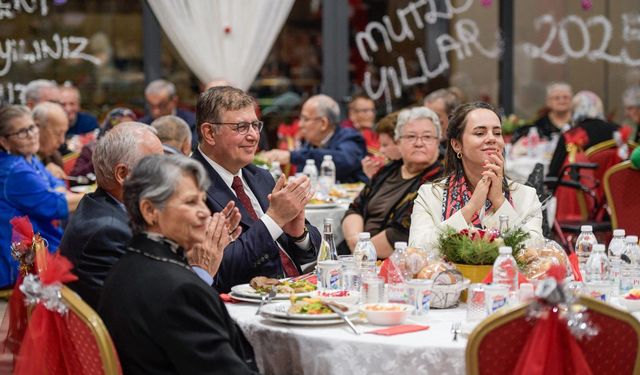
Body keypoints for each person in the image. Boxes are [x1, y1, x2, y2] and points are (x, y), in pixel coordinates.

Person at [99, 154, 258, 374]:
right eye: (191, 202)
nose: (204, 212)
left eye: (202, 200)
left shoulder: (128, 263)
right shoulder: (180, 291)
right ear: (150, 211)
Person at [192, 86, 320, 292]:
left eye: (255, 125)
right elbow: (219, 272)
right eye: (241, 127)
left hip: (298, 294)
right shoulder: (190, 187)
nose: (253, 136)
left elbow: (313, 254)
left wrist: (299, 235)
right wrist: (274, 220)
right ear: (209, 133)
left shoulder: (260, 176)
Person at [409, 102, 543, 248]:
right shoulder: (431, 195)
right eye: (480, 133)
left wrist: (499, 201)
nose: (492, 138)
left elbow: (534, 251)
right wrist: (471, 208)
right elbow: (417, 249)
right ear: (456, 145)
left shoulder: (526, 196)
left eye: (497, 133)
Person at [341, 107, 445, 258]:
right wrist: (354, 240)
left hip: (392, 263)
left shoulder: (440, 178)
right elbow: (355, 208)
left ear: (437, 141)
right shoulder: (389, 170)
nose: (419, 143)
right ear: (398, 141)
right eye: (411, 136)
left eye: (427, 137)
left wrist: (362, 251)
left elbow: (401, 234)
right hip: (356, 254)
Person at [0, 105, 79, 288]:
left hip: (40, 249)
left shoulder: (29, 158)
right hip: (21, 266)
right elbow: (54, 206)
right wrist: (94, 193)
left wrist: (57, 193)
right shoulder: (14, 170)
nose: (31, 134)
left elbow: (57, 184)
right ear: (4, 141)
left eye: (32, 127)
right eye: (21, 132)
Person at [263, 94, 368, 183]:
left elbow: (344, 160)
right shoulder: (310, 144)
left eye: (305, 119)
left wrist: (292, 156)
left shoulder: (349, 137)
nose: (300, 124)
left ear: (323, 123)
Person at [547, 91, 619, 178]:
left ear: (575, 110)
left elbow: (553, 172)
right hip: (613, 185)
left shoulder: (570, 135)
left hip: (582, 187)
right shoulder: (618, 131)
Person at [69, 107, 137, 177]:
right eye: (119, 127)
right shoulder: (92, 149)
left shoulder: (138, 149)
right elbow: (75, 176)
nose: (125, 132)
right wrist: (100, 160)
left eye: (129, 127)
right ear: (109, 128)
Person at [139, 79, 198, 149]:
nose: (156, 111)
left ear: (174, 101)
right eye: (151, 106)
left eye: (162, 105)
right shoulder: (142, 126)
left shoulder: (192, 122)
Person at [33, 102, 69, 179]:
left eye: (64, 134)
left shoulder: (55, 158)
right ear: (37, 127)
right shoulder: (19, 160)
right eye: (58, 134)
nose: (62, 141)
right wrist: (43, 175)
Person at [361, 111, 401, 179]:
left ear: (400, 142)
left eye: (385, 145)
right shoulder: (392, 167)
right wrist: (373, 177)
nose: (381, 150)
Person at [424, 88, 461, 158]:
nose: (429, 122)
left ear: (452, 116)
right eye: (426, 116)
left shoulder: (466, 145)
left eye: (435, 116)